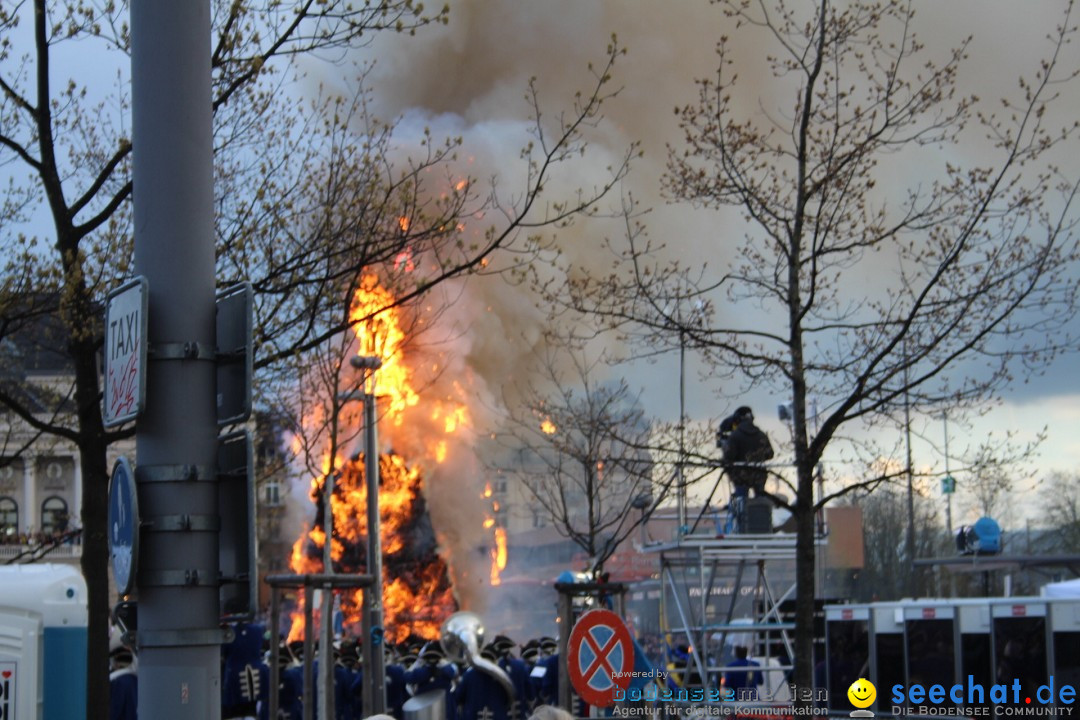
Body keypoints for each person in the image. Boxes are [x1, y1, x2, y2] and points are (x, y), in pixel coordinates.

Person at [720, 407, 774, 497]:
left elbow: (728, 457)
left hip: (740, 477)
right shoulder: (761, 434)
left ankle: (742, 509)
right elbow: (770, 454)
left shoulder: (734, 436)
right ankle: (760, 510)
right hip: (759, 475)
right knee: (760, 501)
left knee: (741, 501)